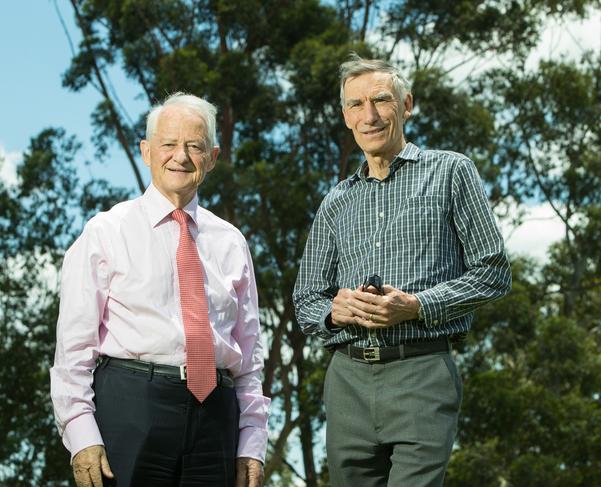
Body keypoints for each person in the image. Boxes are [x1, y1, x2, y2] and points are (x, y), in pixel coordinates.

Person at [293, 53, 512, 487]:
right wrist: (338, 311)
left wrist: (417, 306)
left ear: (406, 104)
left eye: (381, 100)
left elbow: (493, 271)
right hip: (347, 382)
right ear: (345, 116)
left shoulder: (450, 171)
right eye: (356, 105)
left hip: (422, 372)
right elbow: (306, 299)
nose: (369, 116)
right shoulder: (336, 200)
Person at [50, 93, 269, 487]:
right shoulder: (105, 233)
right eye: (168, 144)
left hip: (216, 421)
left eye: (194, 146)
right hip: (130, 409)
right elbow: (73, 349)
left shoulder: (231, 242)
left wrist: (252, 441)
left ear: (213, 157)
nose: (180, 157)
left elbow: (250, 357)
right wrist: (81, 436)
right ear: (147, 151)